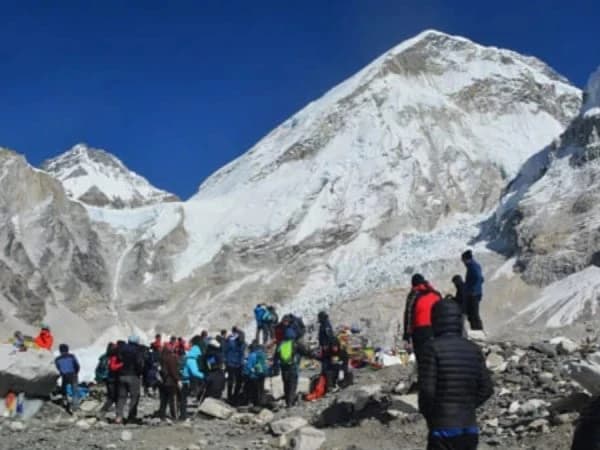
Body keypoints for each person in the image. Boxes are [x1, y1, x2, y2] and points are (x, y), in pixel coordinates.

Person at [418, 298, 493, 450]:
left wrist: (431, 415)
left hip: (442, 428)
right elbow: (487, 389)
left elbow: (427, 391)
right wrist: (468, 406)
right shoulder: (474, 349)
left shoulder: (431, 349)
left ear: (435, 321)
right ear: (459, 321)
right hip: (469, 428)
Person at [402, 274, 442, 365]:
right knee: (436, 355)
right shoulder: (436, 294)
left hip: (420, 330)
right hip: (436, 329)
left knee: (422, 357)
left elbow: (408, 314)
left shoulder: (414, 294)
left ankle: (424, 375)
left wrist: (407, 335)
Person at [271, 328, 311, 408]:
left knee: (286, 384)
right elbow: (305, 352)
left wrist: (275, 368)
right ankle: (290, 403)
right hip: (293, 367)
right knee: (292, 385)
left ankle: (287, 402)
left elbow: (275, 357)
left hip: (283, 368)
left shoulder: (280, 344)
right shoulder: (295, 343)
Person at [115, 336, 144, 424]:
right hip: (133, 375)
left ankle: (119, 416)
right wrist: (140, 372)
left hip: (121, 375)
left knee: (121, 397)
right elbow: (139, 363)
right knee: (134, 397)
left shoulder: (121, 349)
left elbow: (118, 359)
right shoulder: (137, 351)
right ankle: (131, 416)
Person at [180, 338, 205, 420]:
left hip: (183, 379)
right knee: (183, 400)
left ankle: (181, 415)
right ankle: (183, 416)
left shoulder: (187, 357)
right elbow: (194, 372)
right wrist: (204, 376)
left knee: (182, 399)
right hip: (186, 381)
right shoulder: (192, 360)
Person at [462, 250, 485, 331]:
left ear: (466, 259)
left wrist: (472, 288)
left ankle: (477, 330)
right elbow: (481, 278)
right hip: (476, 292)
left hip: (473, 294)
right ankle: (476, 329)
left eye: (463, 260)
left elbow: (478, 277)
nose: (463, 262)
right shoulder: (475, 265)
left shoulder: (472, 266)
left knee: (473, 313)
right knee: (473, 313)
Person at [55, 344, 80, 412]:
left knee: (64, 391)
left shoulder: (57, 359)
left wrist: (61, 373)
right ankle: (76, 407)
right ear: (67, 349)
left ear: (60, 350)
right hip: (73, 375)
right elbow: (77, 365)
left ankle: (66, 404)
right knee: (74, 391)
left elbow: (57, 368)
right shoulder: (72, 356)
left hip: (64, 376)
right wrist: (76, 372)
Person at [157, 345, 180, 421]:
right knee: (173, 400)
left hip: (162, 382)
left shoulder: (160, 358)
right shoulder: (171, 358)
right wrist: (177, 380)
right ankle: (174, 416)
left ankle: (162, 416)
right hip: (170, 382)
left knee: (163, 400)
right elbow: (173, 371)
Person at [224, 327, 246, 405]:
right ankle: (233, 396)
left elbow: (225, 350)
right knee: (236, 381)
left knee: (233, 380)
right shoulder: (240, 342)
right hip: (236, 363)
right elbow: (242, 352)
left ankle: (231, 396)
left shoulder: (230, 341)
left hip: (233, 363)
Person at [99, 342, 122, 414]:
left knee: (112, 395)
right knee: (113, 396)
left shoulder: (104, 357)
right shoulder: (114, 357)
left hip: (106, 378)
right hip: (112, 378)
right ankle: (103, 410)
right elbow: (113, 367)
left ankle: (116, 410)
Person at [243, 340, 268, 407]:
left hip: (254, 376)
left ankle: (255, 404)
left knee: (254, 390)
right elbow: (266, 365)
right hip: (262, 375)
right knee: (261, 389)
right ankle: (261, 402)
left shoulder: (252, 355)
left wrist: (248, 373)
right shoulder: (262, 354)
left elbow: (249, 366)